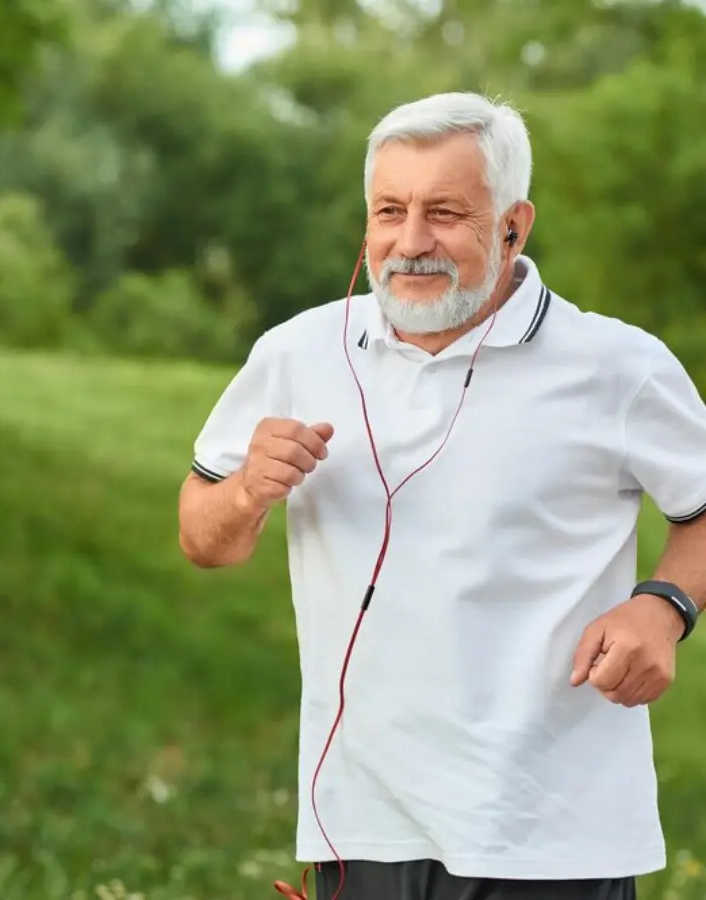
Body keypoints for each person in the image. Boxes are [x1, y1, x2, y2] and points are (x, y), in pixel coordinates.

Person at [178, 91, 706, 900]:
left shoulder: (616, 365)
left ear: (513, 226)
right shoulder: (297, 352)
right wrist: (249, 488)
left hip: (554, 836)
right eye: (389, 210)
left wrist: (663, 606)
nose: (411, 241)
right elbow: (201, 536)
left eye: (446, 213)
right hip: (362, 828)